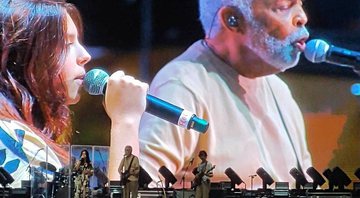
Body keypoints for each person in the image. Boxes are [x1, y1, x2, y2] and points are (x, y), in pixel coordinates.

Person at [137, 0, 312, 189]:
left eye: (299, 4)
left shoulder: (279, 90)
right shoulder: (182, 85)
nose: (302, 17)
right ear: (233, 20)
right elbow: (141, 186)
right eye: (284, 7)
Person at [0, 0, 148, 188]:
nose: (85, 55)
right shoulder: (10, 139)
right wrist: (126, 122)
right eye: (67, 43)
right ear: (21, 55)